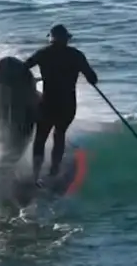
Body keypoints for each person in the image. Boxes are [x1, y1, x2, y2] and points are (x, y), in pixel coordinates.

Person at [24, 24, 98, 186]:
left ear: (51, 39)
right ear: (66, 39)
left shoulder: (43, 53)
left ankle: (35, 176)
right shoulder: (76, 55)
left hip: (48, 103)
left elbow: (23, 68)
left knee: (40, 138)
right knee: (60, 134)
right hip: (68, 104)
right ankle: (54, 170)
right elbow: (92, 77)